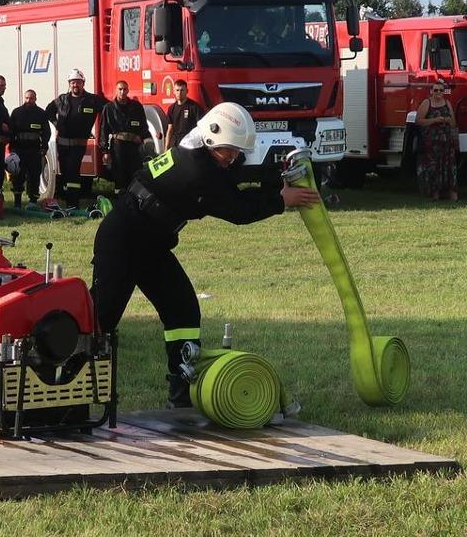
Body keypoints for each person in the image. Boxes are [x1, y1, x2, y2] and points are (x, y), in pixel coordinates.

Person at [91, 103, 321, 407]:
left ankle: (182, 390)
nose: (233, 157)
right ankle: (68, 391)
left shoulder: (201, 150)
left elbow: (234, 177)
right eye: (229, 150)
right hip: (124, 238)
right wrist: (280, 200)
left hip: (149, 239)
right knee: (100, 319)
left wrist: (276, 179)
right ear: (212, 138)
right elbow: (238, 209)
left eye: (237, 151)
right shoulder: (196, 170)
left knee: (182, 310)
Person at [46, 69, 106, 208]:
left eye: (78, 82)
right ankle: (67, 200)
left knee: (73, 171)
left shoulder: (92, 100)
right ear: (69, 84)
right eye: (73, 82)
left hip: (79, 144)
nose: (75, 85)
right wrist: (56, 124)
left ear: (83, 83)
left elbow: (109, 108)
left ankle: (73, 203)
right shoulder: (62, 100)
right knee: (65, 172)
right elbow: (48, 111)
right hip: (62, 143)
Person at [414, 83, 459, 201]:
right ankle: (435, 194)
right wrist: (435, 120)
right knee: (434, 167)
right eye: (436, 90)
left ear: (444, 92)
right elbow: (418, 121)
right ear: (431, 91)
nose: (438, 92)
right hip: (432, 142)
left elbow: (454, 123)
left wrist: (448, 120)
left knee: (449, 167)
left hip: (446, 142)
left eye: (440, 90)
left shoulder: (447, 103)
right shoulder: (427, 103)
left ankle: (452, 194)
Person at [7, 89, 50, 208]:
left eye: (31, 98)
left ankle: (33, 201)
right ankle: (17, 202)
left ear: (35, 99)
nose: (29, 100)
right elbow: (11, 132)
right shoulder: (17, 112)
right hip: (19, 149)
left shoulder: (41, 113)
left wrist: (44, 147)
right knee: (18, 175)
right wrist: (12, 148)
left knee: (34, 175)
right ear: (24, 98)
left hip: (34, 150)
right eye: (27, 98)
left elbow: (46, 132)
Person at [102, 80, 148, 188]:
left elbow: (144, 126)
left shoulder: (136, 107)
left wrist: (141, 137)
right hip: (117, 146)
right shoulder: (109, 108)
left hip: (133, 146)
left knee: (134, 173)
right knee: (119, 174)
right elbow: (104, 130)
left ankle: (133, 196)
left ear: (128, 91)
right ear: (116, 90)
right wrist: (105, 151)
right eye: (120, 89)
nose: (122, 92)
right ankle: (119, 196)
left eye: (124, 89)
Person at [164, 79, 203, 145]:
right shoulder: (171, 109)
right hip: (177, 145)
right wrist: (166, 147)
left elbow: (201, 127)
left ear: (187, 91)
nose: (179, 93)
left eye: (182, 90)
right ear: (173, 91)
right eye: (177, 90)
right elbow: (170, 130)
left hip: (190, 144)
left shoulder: (194, 107)